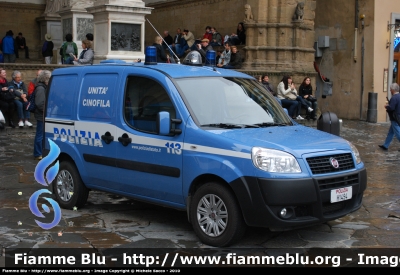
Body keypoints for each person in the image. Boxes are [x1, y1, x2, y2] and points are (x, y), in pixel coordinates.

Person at [33, 70, 51, 160]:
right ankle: (38, 153)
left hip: (43, 114)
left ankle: (41, 152)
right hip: (41, 115)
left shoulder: (43, 87)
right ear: (45, 79)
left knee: (42, 134)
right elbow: (40, 103)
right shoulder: (40, 88)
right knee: (40, 134)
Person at [379, 83, 400, 151]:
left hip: (395, 118)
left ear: (393, 90)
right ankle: (386, 145)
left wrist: (387, 106)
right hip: (398, 116)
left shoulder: (394, 98)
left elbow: (391, 108)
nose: (390, 90)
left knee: (397, 133)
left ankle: (386, 145)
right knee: (391, 132)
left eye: (391, 89)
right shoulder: (399, 96)